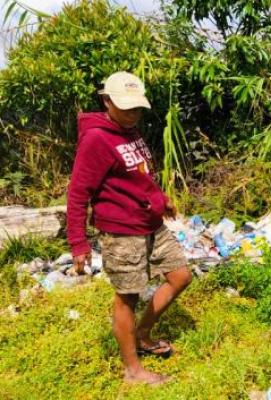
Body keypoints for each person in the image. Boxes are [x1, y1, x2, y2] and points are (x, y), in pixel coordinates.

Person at [67, 71, 192, 384]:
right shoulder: (97, 139)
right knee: (128, 297)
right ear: (107, 101)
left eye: (137, 107)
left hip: (150, 222)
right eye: (125, 107)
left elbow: (140, 176)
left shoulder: (130, 130)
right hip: (122, 231)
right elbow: (78, 192)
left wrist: (162, 200)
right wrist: (78, 243)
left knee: (180, 276)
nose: (133, 113)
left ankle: (142, 333)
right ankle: (133, 371)